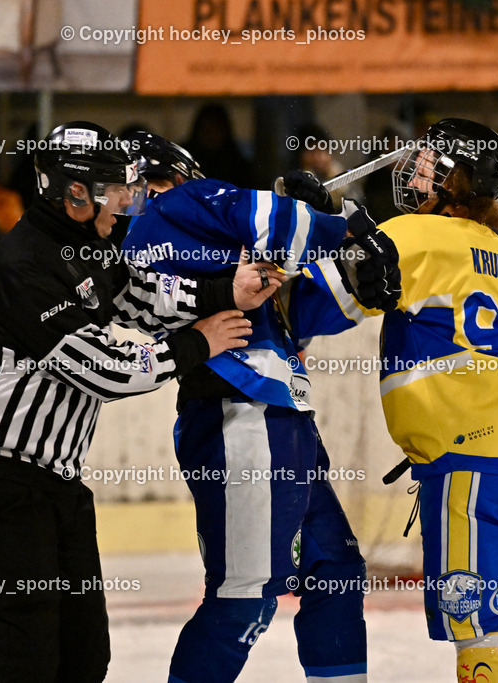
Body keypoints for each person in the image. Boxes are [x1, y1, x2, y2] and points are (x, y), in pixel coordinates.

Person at [0, 121, 281, 683]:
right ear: (73, 193)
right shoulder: (26, 265)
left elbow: (141, 293)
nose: (125, 202)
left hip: (53, 479)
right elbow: (105, 370)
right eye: (112, 189)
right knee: (24, 651)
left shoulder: (87, 244)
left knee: (84, 655)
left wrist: (226, 290)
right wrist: (198, 342)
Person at [293, 119, 498, 682]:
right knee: (486, 623)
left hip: (475, 466)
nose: (414, 171)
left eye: (431, 164)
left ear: (460, 181)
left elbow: (311, 307)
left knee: (480, 632)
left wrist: (300, 231)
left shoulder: (414, 234)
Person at [122, 133, 383, 683]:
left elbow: (333, 300)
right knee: (245, 596)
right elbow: (277, 219)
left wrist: (341, 242)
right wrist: (346, 219)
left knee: (333, 571)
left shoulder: (194, 246)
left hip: (272, 420)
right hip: (242, 417)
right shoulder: (176, 204)